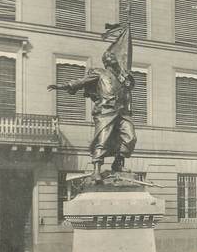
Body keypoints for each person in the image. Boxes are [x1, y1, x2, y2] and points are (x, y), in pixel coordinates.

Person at [48, 51, 137, 183]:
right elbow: (82, 81)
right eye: (108, 57)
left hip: (121, 112)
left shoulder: (120, 77)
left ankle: (117, 163)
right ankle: (96, 170)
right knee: (103, 140)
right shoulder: (99, 72)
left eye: (113, 56)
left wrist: (127, 81)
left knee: (130, 137)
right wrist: (64, 86)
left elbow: (128, 90)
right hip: (105, 111)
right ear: (105, 61)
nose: (111, 58)